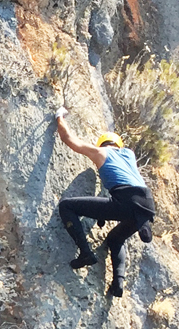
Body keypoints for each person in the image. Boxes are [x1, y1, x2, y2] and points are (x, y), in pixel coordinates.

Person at [55, 109, 156, 298]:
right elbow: (111, 188)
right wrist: (101, 215)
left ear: (102, 144)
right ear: (119, 145)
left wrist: (59, 116)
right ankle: (118, 282)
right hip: (146, 204)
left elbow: (70, 139)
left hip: (126, 200)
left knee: (66, 206)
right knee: (117, 239)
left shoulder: (100, 152)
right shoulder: (129, 155)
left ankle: (85, 253)